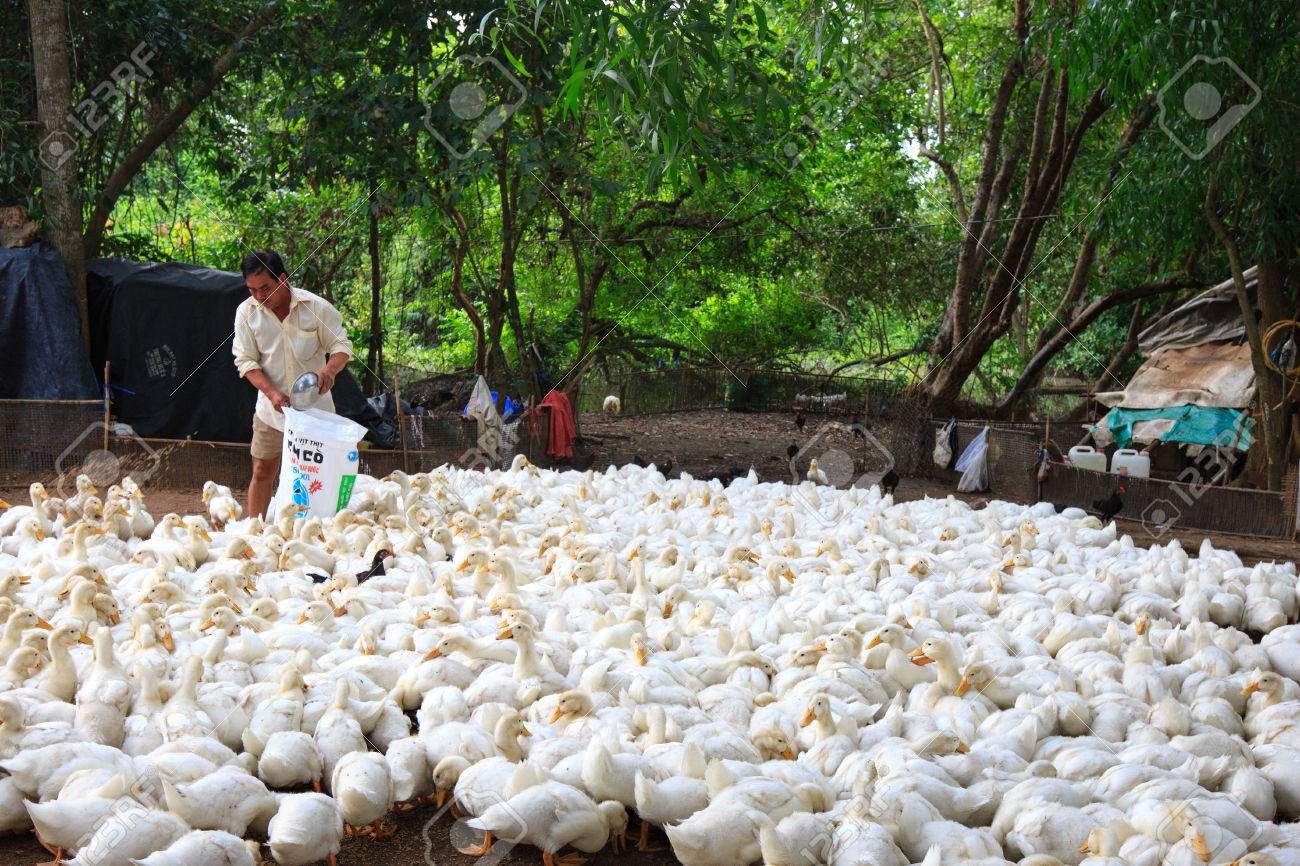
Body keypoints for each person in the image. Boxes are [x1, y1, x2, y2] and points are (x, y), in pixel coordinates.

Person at [232, 250, 352, 518]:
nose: (260, 297)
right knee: (262, 471)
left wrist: (329, 371)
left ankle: (316, 534)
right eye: (252, 290)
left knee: (315, 477)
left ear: (283, 280)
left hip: (315, 412)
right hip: (271, 411)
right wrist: (272, 393)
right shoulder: (246, 313)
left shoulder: (316, 308)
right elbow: (246, 361)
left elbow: (341, 345)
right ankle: (256, 533)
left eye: (266, 288)